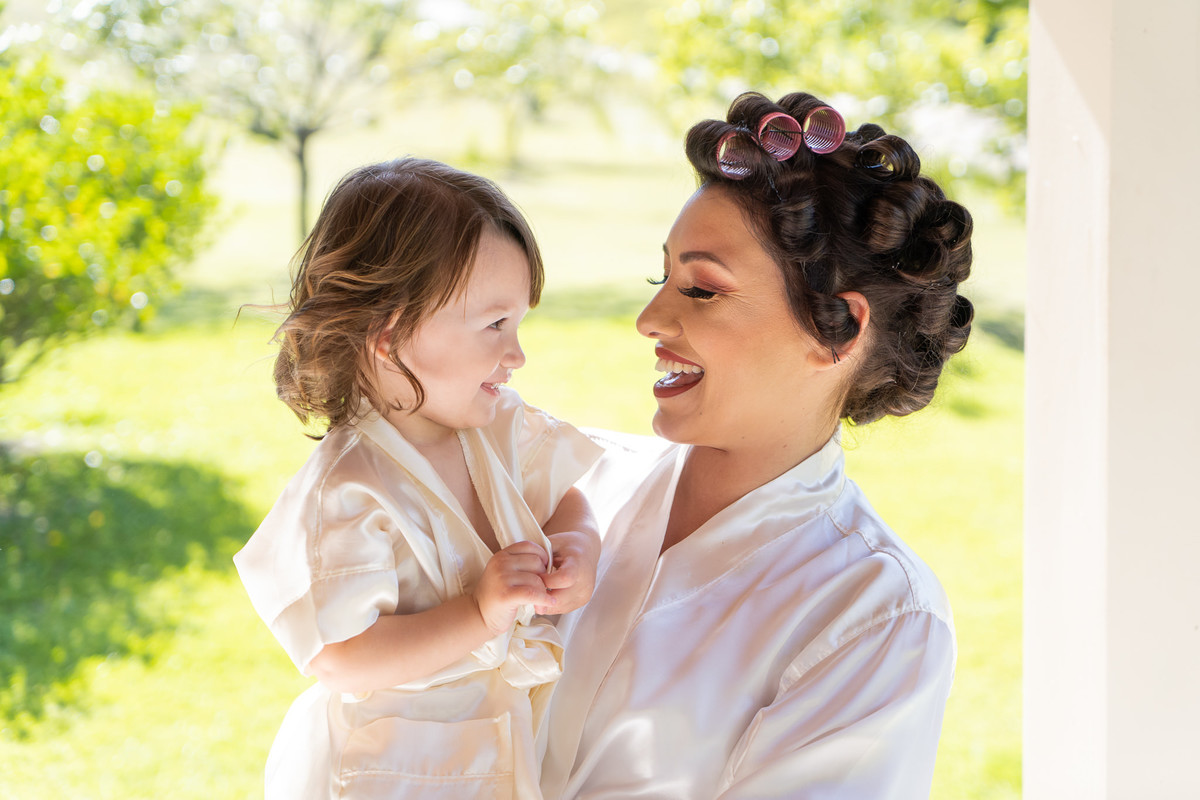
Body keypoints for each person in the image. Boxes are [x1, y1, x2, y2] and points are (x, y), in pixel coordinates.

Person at [539, 91, 974, 799]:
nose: (651, 318)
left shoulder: (873, 616)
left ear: (835, 326)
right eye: (663, 278)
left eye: (701, 290)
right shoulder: (566, 481)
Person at [233, 157, 603, 800]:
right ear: (392, 331)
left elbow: (563, 498)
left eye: (518, 324)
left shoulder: (499, 429)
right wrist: (479, 612)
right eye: (494, 325)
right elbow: (342, 658)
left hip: (507, 748)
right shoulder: (349, 491)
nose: (516, 354)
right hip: (402, 770)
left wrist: (579, 543)